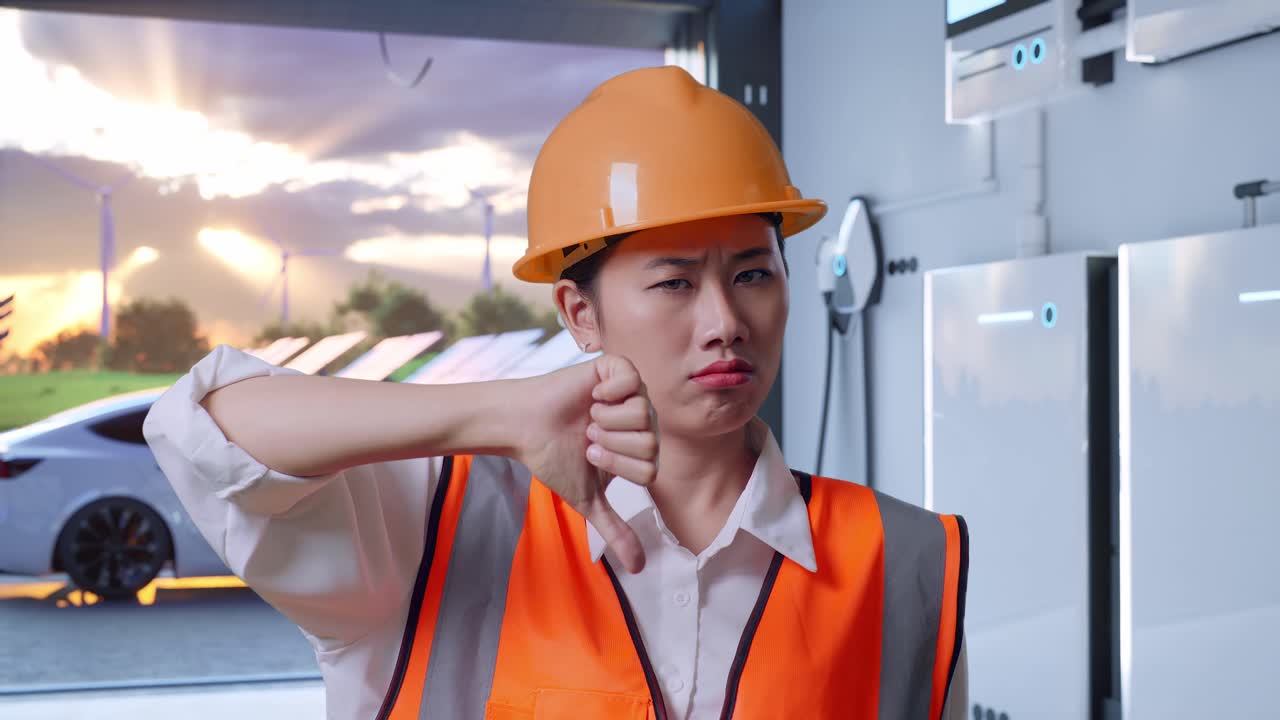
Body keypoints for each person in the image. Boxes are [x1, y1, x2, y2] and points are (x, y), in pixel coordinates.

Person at [143, 66, 968, 720]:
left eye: (753, 274)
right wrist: (500, 411)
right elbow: (202, 426)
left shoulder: (908, 561)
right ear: (579, 313)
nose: (725, 322)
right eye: (675, 283)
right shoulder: (430, 528)